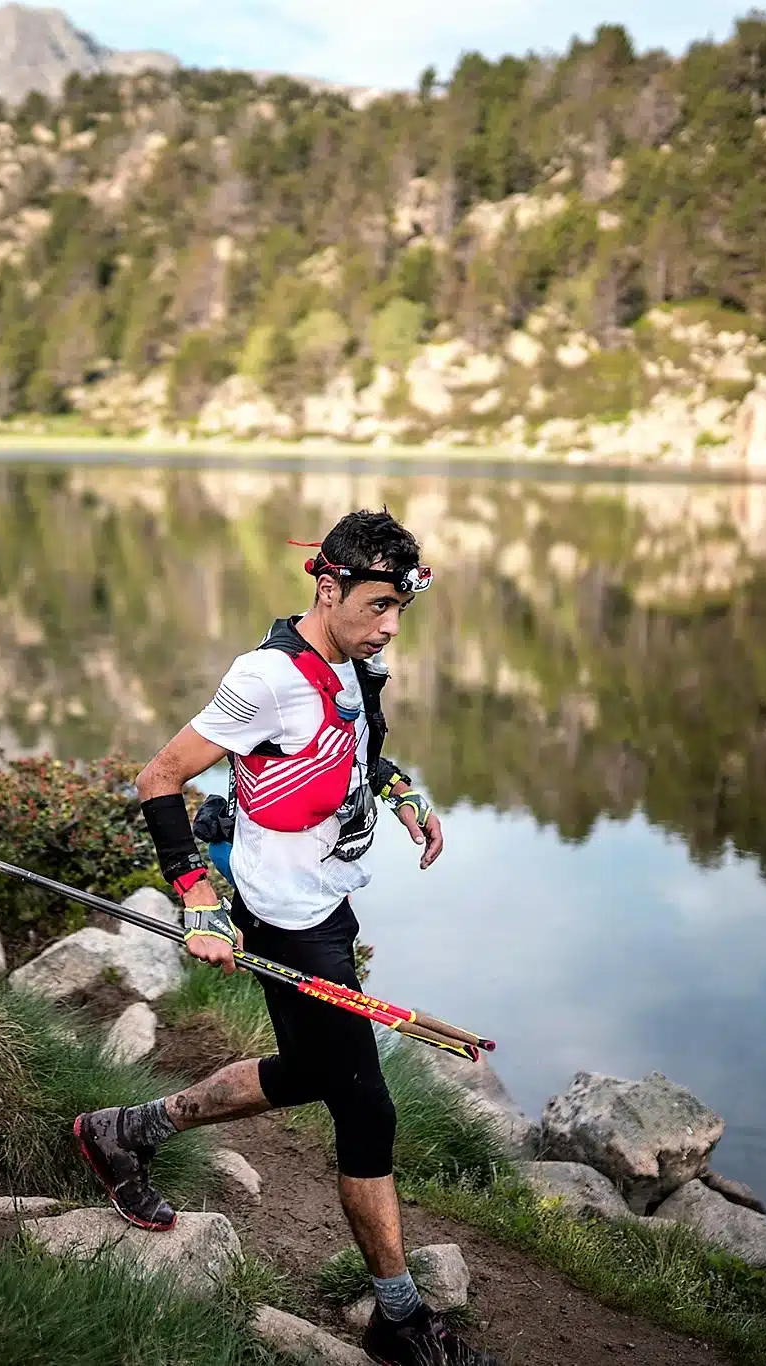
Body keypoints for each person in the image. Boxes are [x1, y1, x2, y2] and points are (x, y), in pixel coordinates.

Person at [74, 509, 498, 1366]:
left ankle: (126, 1131)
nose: (390, 626)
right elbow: (159, 778)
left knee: (310, 1072)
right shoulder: (265, 677)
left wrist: (402, 793)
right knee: (366, 1108)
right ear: (327, 587)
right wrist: (197, 898)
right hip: (285, 921)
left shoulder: (354, 663)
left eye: (401, 608)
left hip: (324, 906)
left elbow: (352, 750)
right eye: (378, 605)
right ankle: (399, 1318)